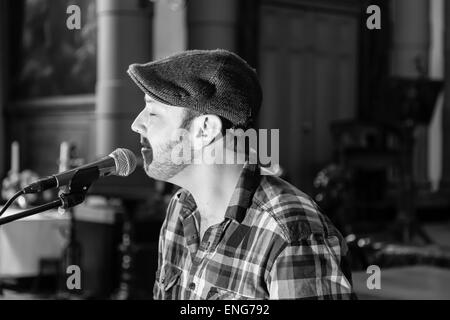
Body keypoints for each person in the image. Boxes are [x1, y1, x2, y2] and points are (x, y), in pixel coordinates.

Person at [128, 49, 355, 300]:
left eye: (152, 112)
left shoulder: (290, 233)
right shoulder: (180, 210)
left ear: (204, 130)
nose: (136, 123)